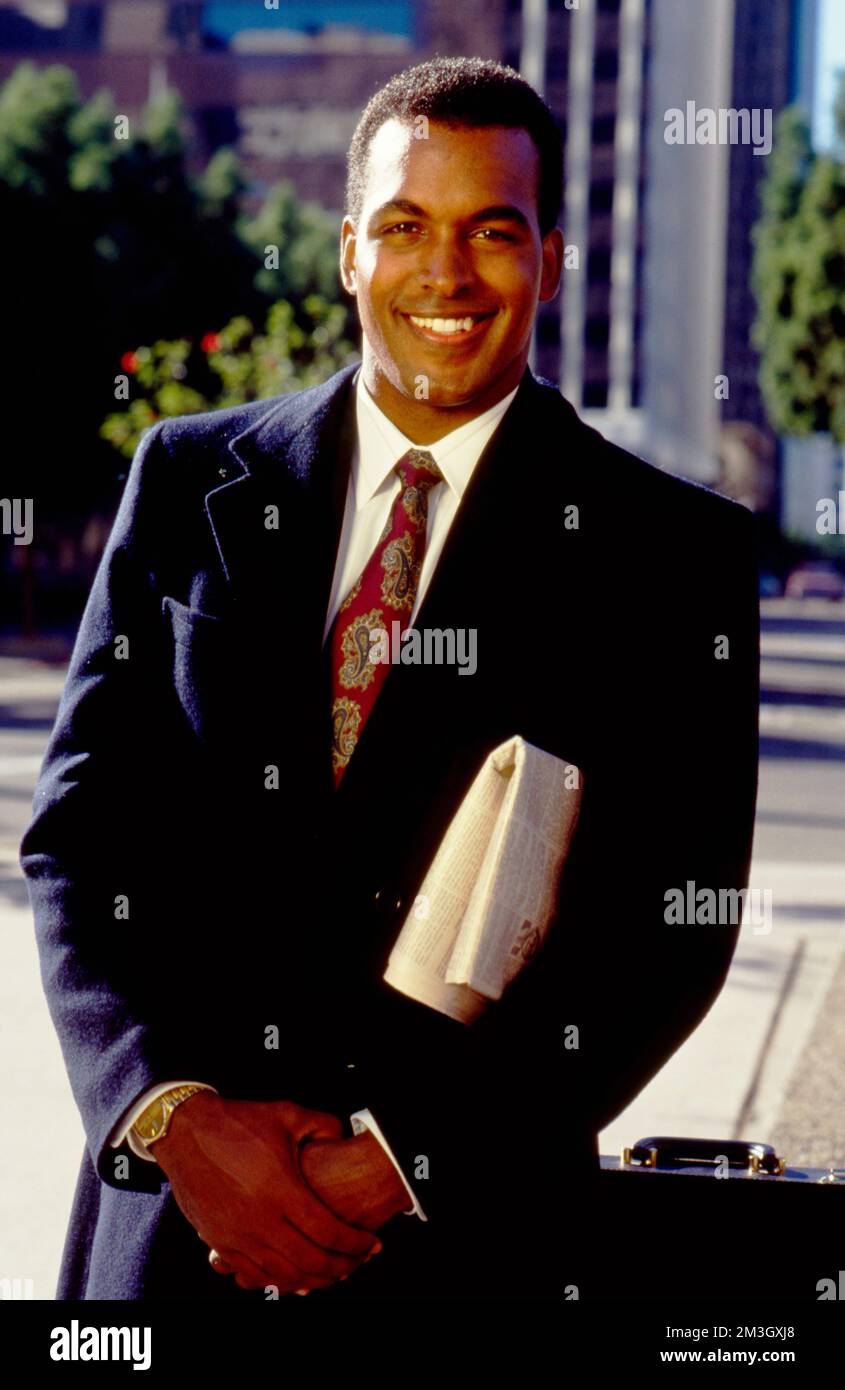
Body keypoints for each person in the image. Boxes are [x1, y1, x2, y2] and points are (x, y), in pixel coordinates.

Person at [20, 56, 760, 1302]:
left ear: (551, 258)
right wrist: (170, 1113)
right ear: (351, 250)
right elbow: (81, 843)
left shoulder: (670, 554)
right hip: (168, 1237)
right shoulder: (184, 481)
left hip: (464, 1252)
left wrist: (399, 1160)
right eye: (407, 226)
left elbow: (664, 932)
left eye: (493, 231)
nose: (446, 273)